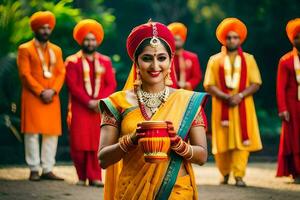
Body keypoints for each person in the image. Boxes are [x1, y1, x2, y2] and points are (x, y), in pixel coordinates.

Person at [98, 21, 208, 199]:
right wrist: (130, 140)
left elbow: (202, 156)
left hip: (176, 191)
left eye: (162, 58)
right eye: (147, 58)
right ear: (136, 61)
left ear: (170, 60)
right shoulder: (117, 103)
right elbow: (103, 159)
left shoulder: (188, 101)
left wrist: (179, 144)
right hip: (132, 192)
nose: (155, 66)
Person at [203, 18, 262, 187]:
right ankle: (225, 173)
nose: (232, 40)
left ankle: (239, 175)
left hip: (243, 106)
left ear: (240, 39)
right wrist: (226, 96)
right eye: (228, 37)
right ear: (223, 39)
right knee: (222, 142)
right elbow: (209, 84)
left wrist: (240, 96)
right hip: (222, 106)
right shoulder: (214, 60)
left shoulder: (249, 59)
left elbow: (256, 83)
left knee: (241, 143)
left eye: (235, 37)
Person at [65, 19, 117, 187]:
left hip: (99, 109)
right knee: (79, 143)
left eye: (93, 39)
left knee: (96, 142)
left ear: (97, 41)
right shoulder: (72, 61)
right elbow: (72, 85)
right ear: (81, 40)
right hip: (80, 108)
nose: (90, 42)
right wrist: (88, 101)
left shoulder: (105, 61)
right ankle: (81, 177)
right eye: (87, 39)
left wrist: (99, 101)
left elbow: (111, 84)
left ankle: (95, 177)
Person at [17, 11, 65, 181]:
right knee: (31, 133)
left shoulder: (56, 50)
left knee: (51, 133)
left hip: (52, 96)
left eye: (48, 28)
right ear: (35, 29)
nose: (45, 31)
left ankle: (47, 168)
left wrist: (53, 91)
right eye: (42, 28)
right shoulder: (25, 49)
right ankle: (34, 169)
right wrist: (40, 91)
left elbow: (61, 72)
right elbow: (25, 74)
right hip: (33, 95)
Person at [276, 18, 300, 184]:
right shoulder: (286, 61)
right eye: (296, 37)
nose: (299, 40)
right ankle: (296, 171)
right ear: (292, 39)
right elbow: (281, 87)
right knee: (294, 139)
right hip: (292, 105)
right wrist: (283, 108)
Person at [168, 22, 202, 90]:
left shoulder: (192, 57)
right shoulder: (167, 58)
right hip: (169, 92)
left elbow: (197, 77)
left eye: (179, 39)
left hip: (187, 93)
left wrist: (187, 84)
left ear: (183, 40)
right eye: (174, 39)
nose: (177, 42)